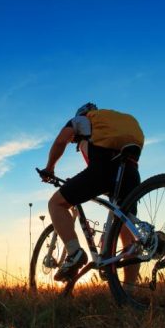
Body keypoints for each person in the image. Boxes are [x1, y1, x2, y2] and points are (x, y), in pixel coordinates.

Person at [40, 102, 144, 282]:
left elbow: (60, 141)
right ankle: (127, 292)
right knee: (126, 229)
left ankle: (74, 254)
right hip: (130, 172)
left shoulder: (81, 120)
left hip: (103, 170)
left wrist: (49, 168)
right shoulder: (109, 125)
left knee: (56, 204)